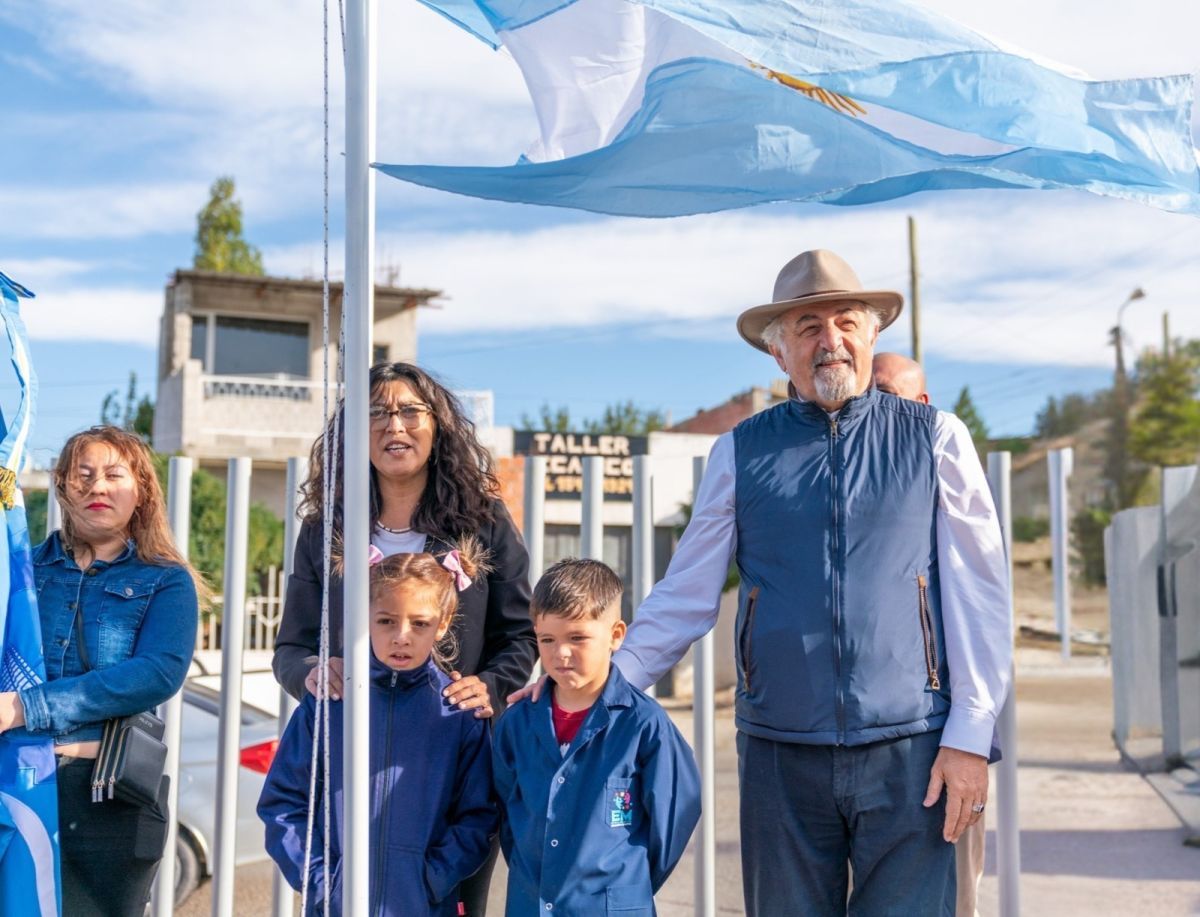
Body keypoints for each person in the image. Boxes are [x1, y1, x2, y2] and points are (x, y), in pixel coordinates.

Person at [525, 250, 1012, 915]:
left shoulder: (936, 438)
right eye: (809, 326)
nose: (830, 340)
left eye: (845, 322)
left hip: (912, 749)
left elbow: (979, 591)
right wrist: (598, 683)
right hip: (780, 754)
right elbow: (686, 591)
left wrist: (969, 734)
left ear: (872, 336)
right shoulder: (740, 449)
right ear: (779, 352)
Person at [273, 362, 536, 913]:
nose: (395, 425)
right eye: (377, 413)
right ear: (353, 432)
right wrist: (311, 674)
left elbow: (521, 632)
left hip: (448, 773)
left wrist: (488, 685)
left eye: (410, 411)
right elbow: (292, 647)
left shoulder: (480, 521)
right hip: (350, 773)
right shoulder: (328, 528)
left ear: (437, 425)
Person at [0, 425, 203, 915]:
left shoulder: (165, 580)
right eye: (82, 475)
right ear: (62, 486)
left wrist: (26, 707)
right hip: (17, 787)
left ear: (142, 490)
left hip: (106, 798)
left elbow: (156, 674)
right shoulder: (19, 569)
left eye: (114, 474)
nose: (97, 487)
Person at [259, 544, 497, 916]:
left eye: (419, 623)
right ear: (363, 616)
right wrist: (323, 884)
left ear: (443, 622)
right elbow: (283, 803)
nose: (402, 636)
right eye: (386, 620)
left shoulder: (459, 714)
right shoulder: (329, 702)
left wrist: (432, 879)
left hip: (425, 906)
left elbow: (477, 816)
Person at [492, 559, 700, 916]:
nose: (561, 653)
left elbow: (673, 817)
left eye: (578, 637)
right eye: (547, 639)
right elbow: (508, 817)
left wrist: (625, 881)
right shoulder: (516, 724)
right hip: (531, 904)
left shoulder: (644, 724)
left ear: (616, 635)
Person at [873, 350, 990, 917]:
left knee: (954, 896)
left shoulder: (939, 466)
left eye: (890, 393)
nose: (875, 404)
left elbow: (980, 608)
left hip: (946, 735)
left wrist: (971, 741)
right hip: (875, 754)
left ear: (922, 405)